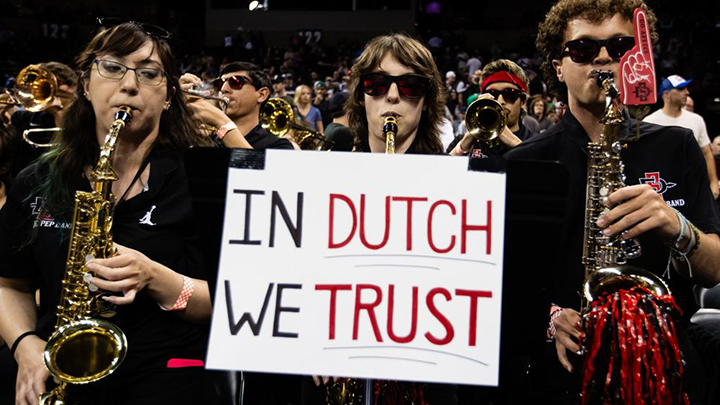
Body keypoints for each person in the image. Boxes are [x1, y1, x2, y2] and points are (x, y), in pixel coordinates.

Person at [507, 0, 720, 403]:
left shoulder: (678, 146)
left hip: (666, 366)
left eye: (621, 47)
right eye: (584, 49)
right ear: (558, 67)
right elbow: (508, 286)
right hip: (565, 374)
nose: (604, 59)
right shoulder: (525, 161)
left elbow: (715, 269)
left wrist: (678, 227)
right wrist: (550, 318)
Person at [0, 22, 218, 405]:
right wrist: (25, 344)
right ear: (86, 85)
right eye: (113, 67)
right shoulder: (36, 179)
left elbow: (235, 303)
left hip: (169, 380)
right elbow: (9, 284)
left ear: (168, 96)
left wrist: (157, 278)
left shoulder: (203, 180)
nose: (130, 85)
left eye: (149, 73)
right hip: (60, 374)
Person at [301, 33, 456, 405]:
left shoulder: (457, 187)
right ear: (360, 95)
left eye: (410, 86)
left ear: (427, 100)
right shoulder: (321, 175)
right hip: (330, 372)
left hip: (426, 375)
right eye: (376, 84)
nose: (391, 96)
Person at [181, 61, 294, 150]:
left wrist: (222, 122)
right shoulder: (207, 140)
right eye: (220, 83)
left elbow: (257, 175)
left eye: (235, 82)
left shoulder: (279, 146)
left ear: (261, 95)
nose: (223, 89)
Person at [447, 59, 530, 173]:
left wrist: (516, 145)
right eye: (492, 94)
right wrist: (462, 147)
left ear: (523, 101)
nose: (500, 101)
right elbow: (441, 176)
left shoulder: (535, 142)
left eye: (510, 94)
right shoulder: (463, 141)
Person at [644, 75, 718, 199]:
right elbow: (646, 160)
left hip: (694, 186)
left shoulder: (696, 120)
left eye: (686, 89)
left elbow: (707, 153)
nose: (687, 92)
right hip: (665, 186)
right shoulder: (650, 122)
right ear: (666, 94)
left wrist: (714, 182)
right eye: (680, 89)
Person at [9, 62, 78, 179]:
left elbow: (71, 151)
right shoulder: (23, 118)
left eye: (58, 83)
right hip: (26, 180)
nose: (55, 90)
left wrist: (58, 114)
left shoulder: (82, 118)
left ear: (72, 88)